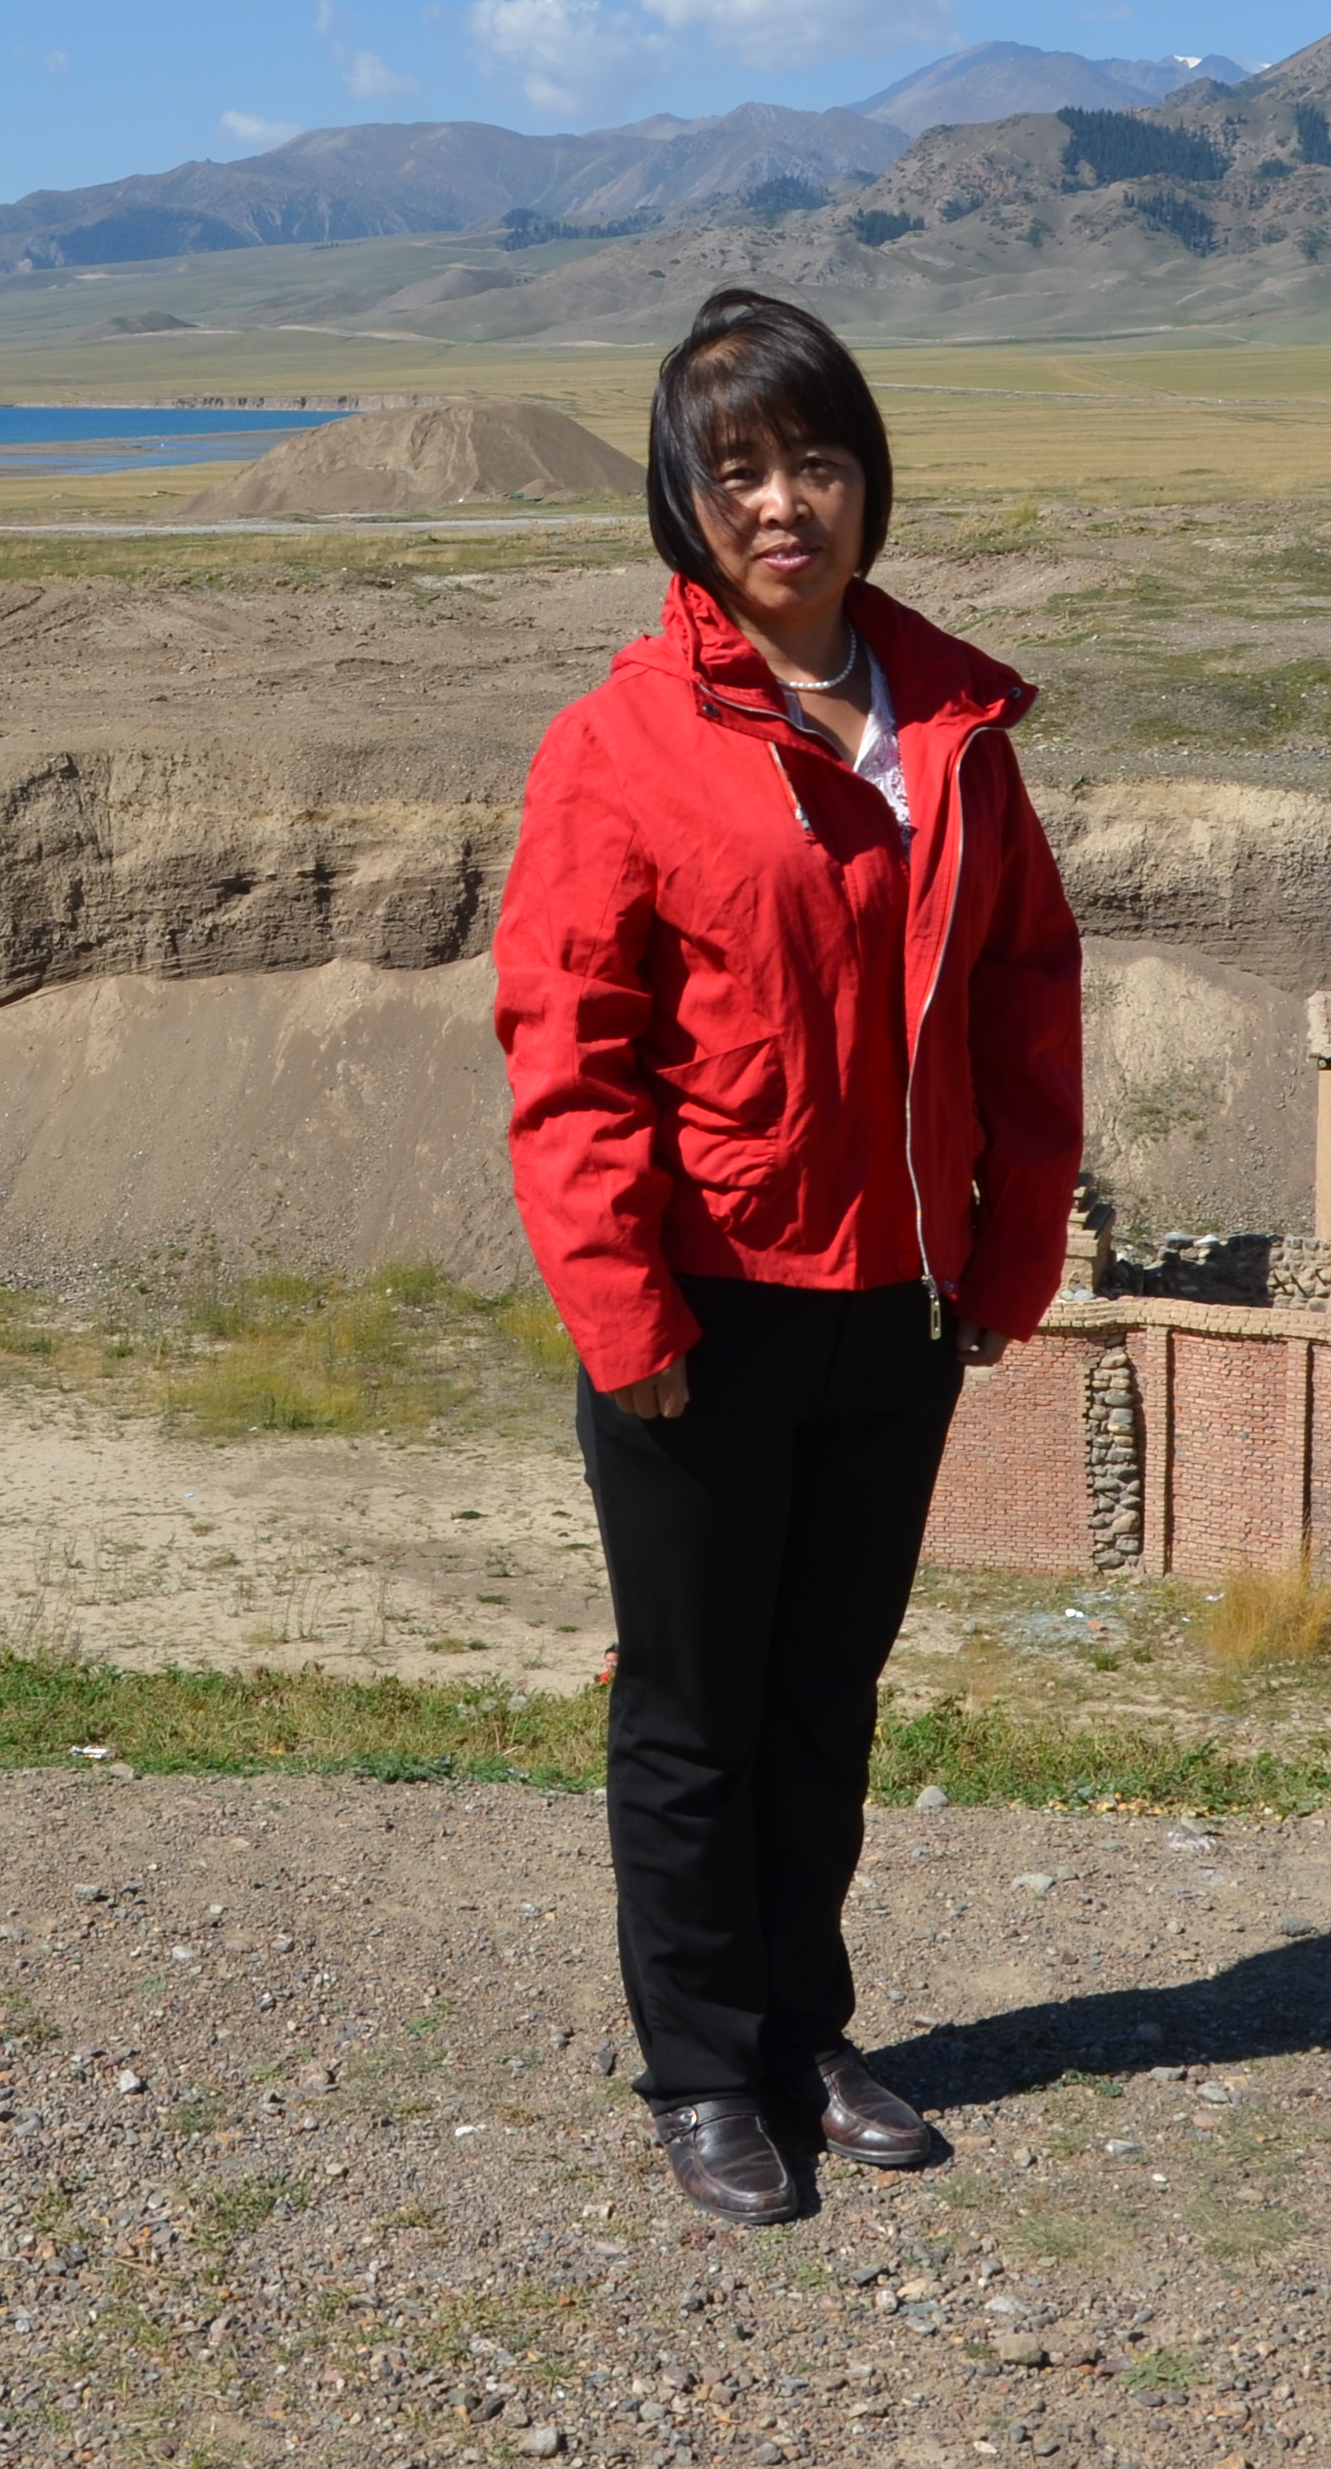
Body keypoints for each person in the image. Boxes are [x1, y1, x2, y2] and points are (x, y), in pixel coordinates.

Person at [494, 288, 1085, 2228]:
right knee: (692, 1716)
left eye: (814, 460)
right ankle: (698, 2067)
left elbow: (1022, 1000)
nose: (781, 502)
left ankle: (800, 2034)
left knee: (823, 1699)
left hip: (893, 1309)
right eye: (737, 467)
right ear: (682, 498)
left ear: (865, 483)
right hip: (704, 1313)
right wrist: (621, 1307)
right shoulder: (619, 745)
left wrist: (1002, 1256)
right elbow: (569, 1051)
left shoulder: (953, 730)